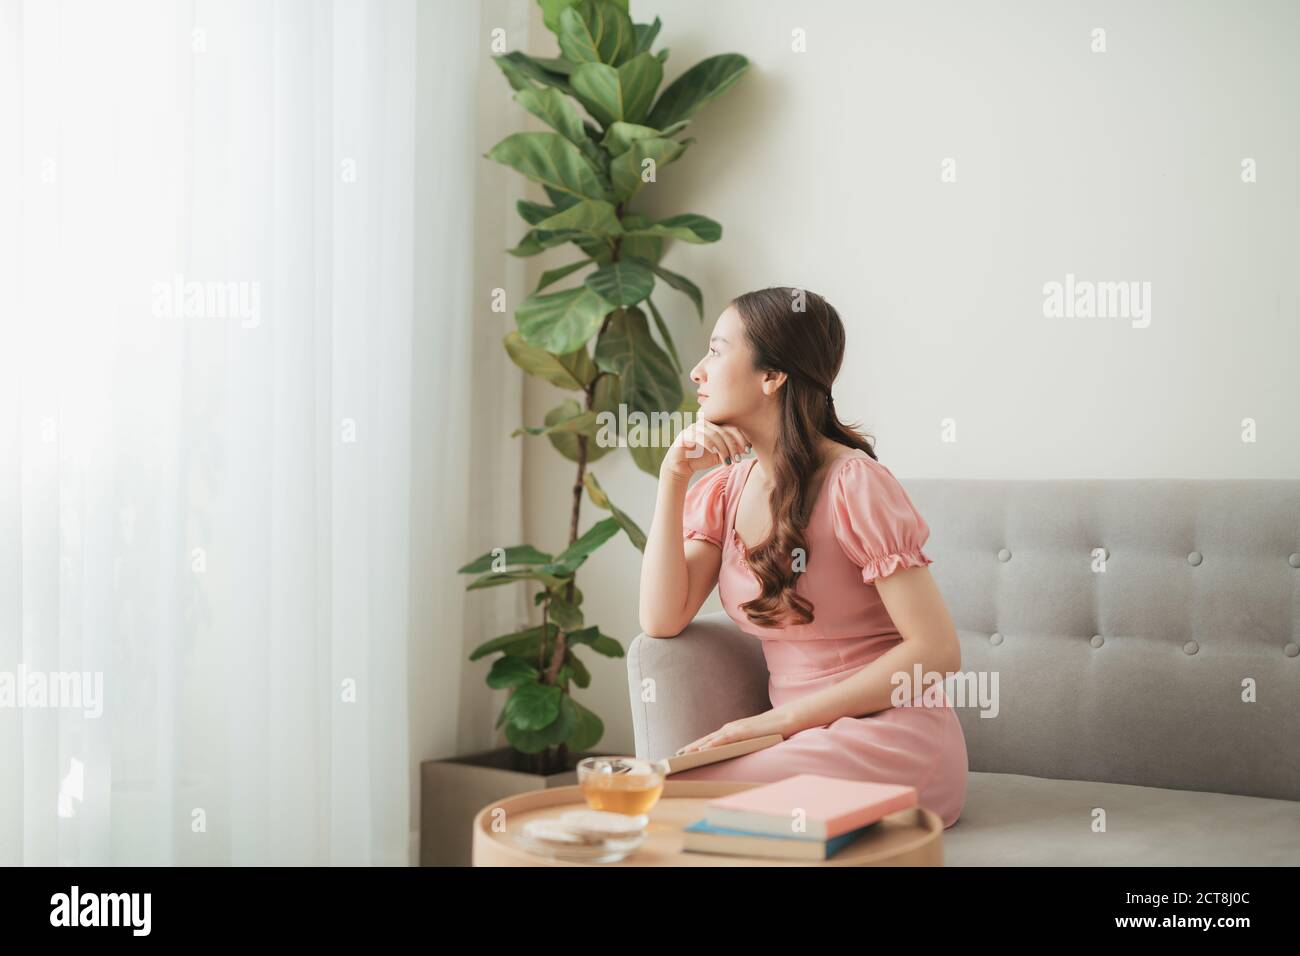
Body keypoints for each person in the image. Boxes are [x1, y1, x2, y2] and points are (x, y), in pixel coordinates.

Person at [637, 286, 968, 829]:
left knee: (669, 801)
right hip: (800, 738)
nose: (697, 371)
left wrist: (782, 722)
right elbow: (661, 617)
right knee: (664, 792)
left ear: (772, 376)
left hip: (890, 737)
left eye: (717, 351)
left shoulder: (855, 483)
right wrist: (671, 479)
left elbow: (936, 650)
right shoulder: (724, 491)